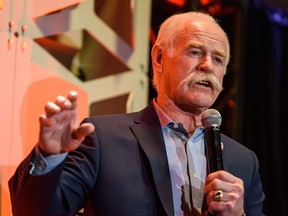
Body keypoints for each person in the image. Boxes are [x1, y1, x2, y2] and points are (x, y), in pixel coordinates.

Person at [9, 11, 265, 216]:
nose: (207, 65)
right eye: (195, 52)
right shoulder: (103, 139)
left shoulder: (244, 161)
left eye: (218, 59)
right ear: (159, 58)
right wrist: (50, 157)